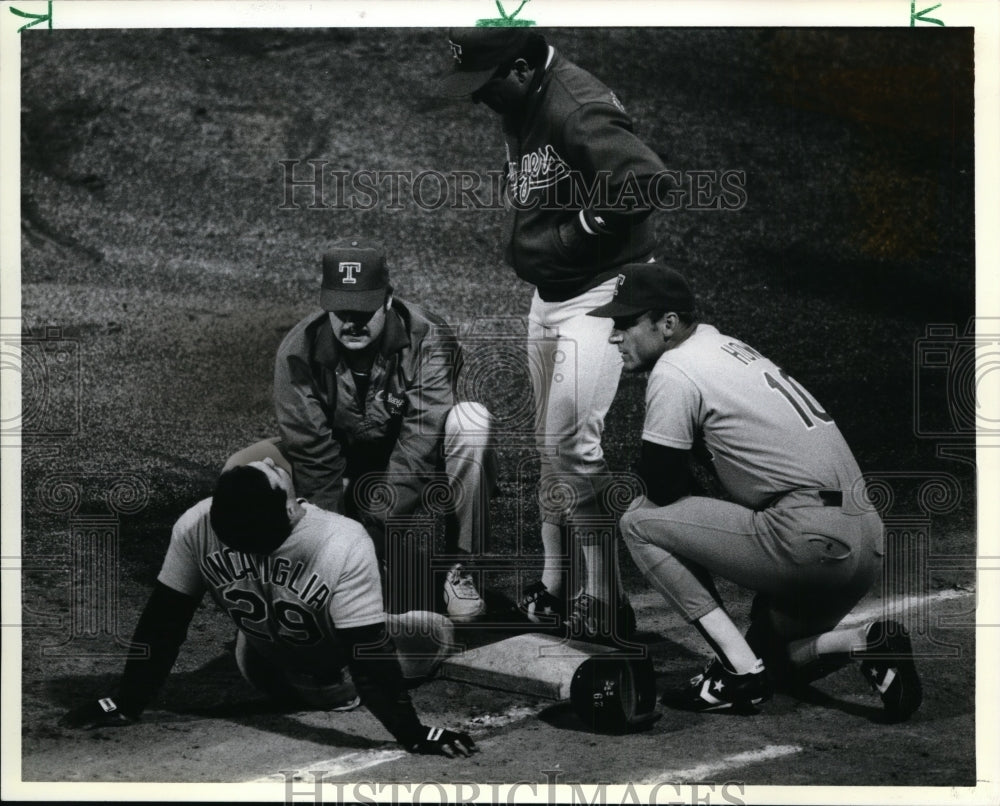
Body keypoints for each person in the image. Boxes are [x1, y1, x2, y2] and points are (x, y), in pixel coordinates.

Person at [588, 262, 922, 720]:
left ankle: (737, 673)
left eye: (625, 324)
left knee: (637, 520)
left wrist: (642, 470)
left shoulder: (676, 370)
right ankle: (866, 642)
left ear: (667, 324)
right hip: (866, 540)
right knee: (775, 658)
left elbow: (662, 490)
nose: (614, 336)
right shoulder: (726, 348)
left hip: (806, 536)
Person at [438, 28, 667, 640]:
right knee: (550, 449)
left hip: (601, 296)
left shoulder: (572, 102)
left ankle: (605, 598)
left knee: (574, 448)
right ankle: (555, 586)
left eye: (486, 87)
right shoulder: (523, 95)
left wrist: (576, 236)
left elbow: (645, 179)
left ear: (517, 69)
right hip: (553, 297)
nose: (480, 99)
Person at [61, 455, 479, 757]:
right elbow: (368, 660)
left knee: (264, 625)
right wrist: (413, 734)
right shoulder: (342, 538)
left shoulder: (197, 523)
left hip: (260, 668)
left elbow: (163, 622)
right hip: (342, 676)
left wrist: (126, 701)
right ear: (291, 509)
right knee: (433, 628)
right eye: (271, 472)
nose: (266, 460)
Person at [271, 238, 496, 622]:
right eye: (341, 310)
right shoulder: (297, 351)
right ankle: (274, 575)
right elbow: (313, 455)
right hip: (343, 470)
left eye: (364, 309)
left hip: (413, 469)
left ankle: (462, 567)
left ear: (389, 300)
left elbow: (420, 442)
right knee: (250, 467)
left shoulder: (428, 337)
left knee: (472, 423)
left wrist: (375, 531)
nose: (352, 321)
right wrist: (338, 547)